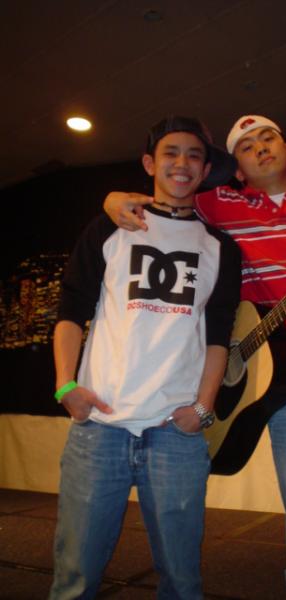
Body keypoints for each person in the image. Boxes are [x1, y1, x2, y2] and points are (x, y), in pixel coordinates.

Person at [104, 115, 286, 600]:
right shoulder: (221, 208)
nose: (261, 147)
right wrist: (113, 199)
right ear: (237, 170)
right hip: (283, 398)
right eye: (246, 146)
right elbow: (170, 192)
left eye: (268, 138)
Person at [50, 116, 242, 600]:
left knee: (182, 582)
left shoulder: (220, 247)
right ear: (149, 163)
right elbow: (71, 311)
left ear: (205, 170)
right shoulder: (110, 227)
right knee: (75, 578)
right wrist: (65, 385)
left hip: (175, 432)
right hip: (100, 426)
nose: (182, 163)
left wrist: (203, 407)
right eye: (170, 152)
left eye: (194, 155)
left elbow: (218, 336)